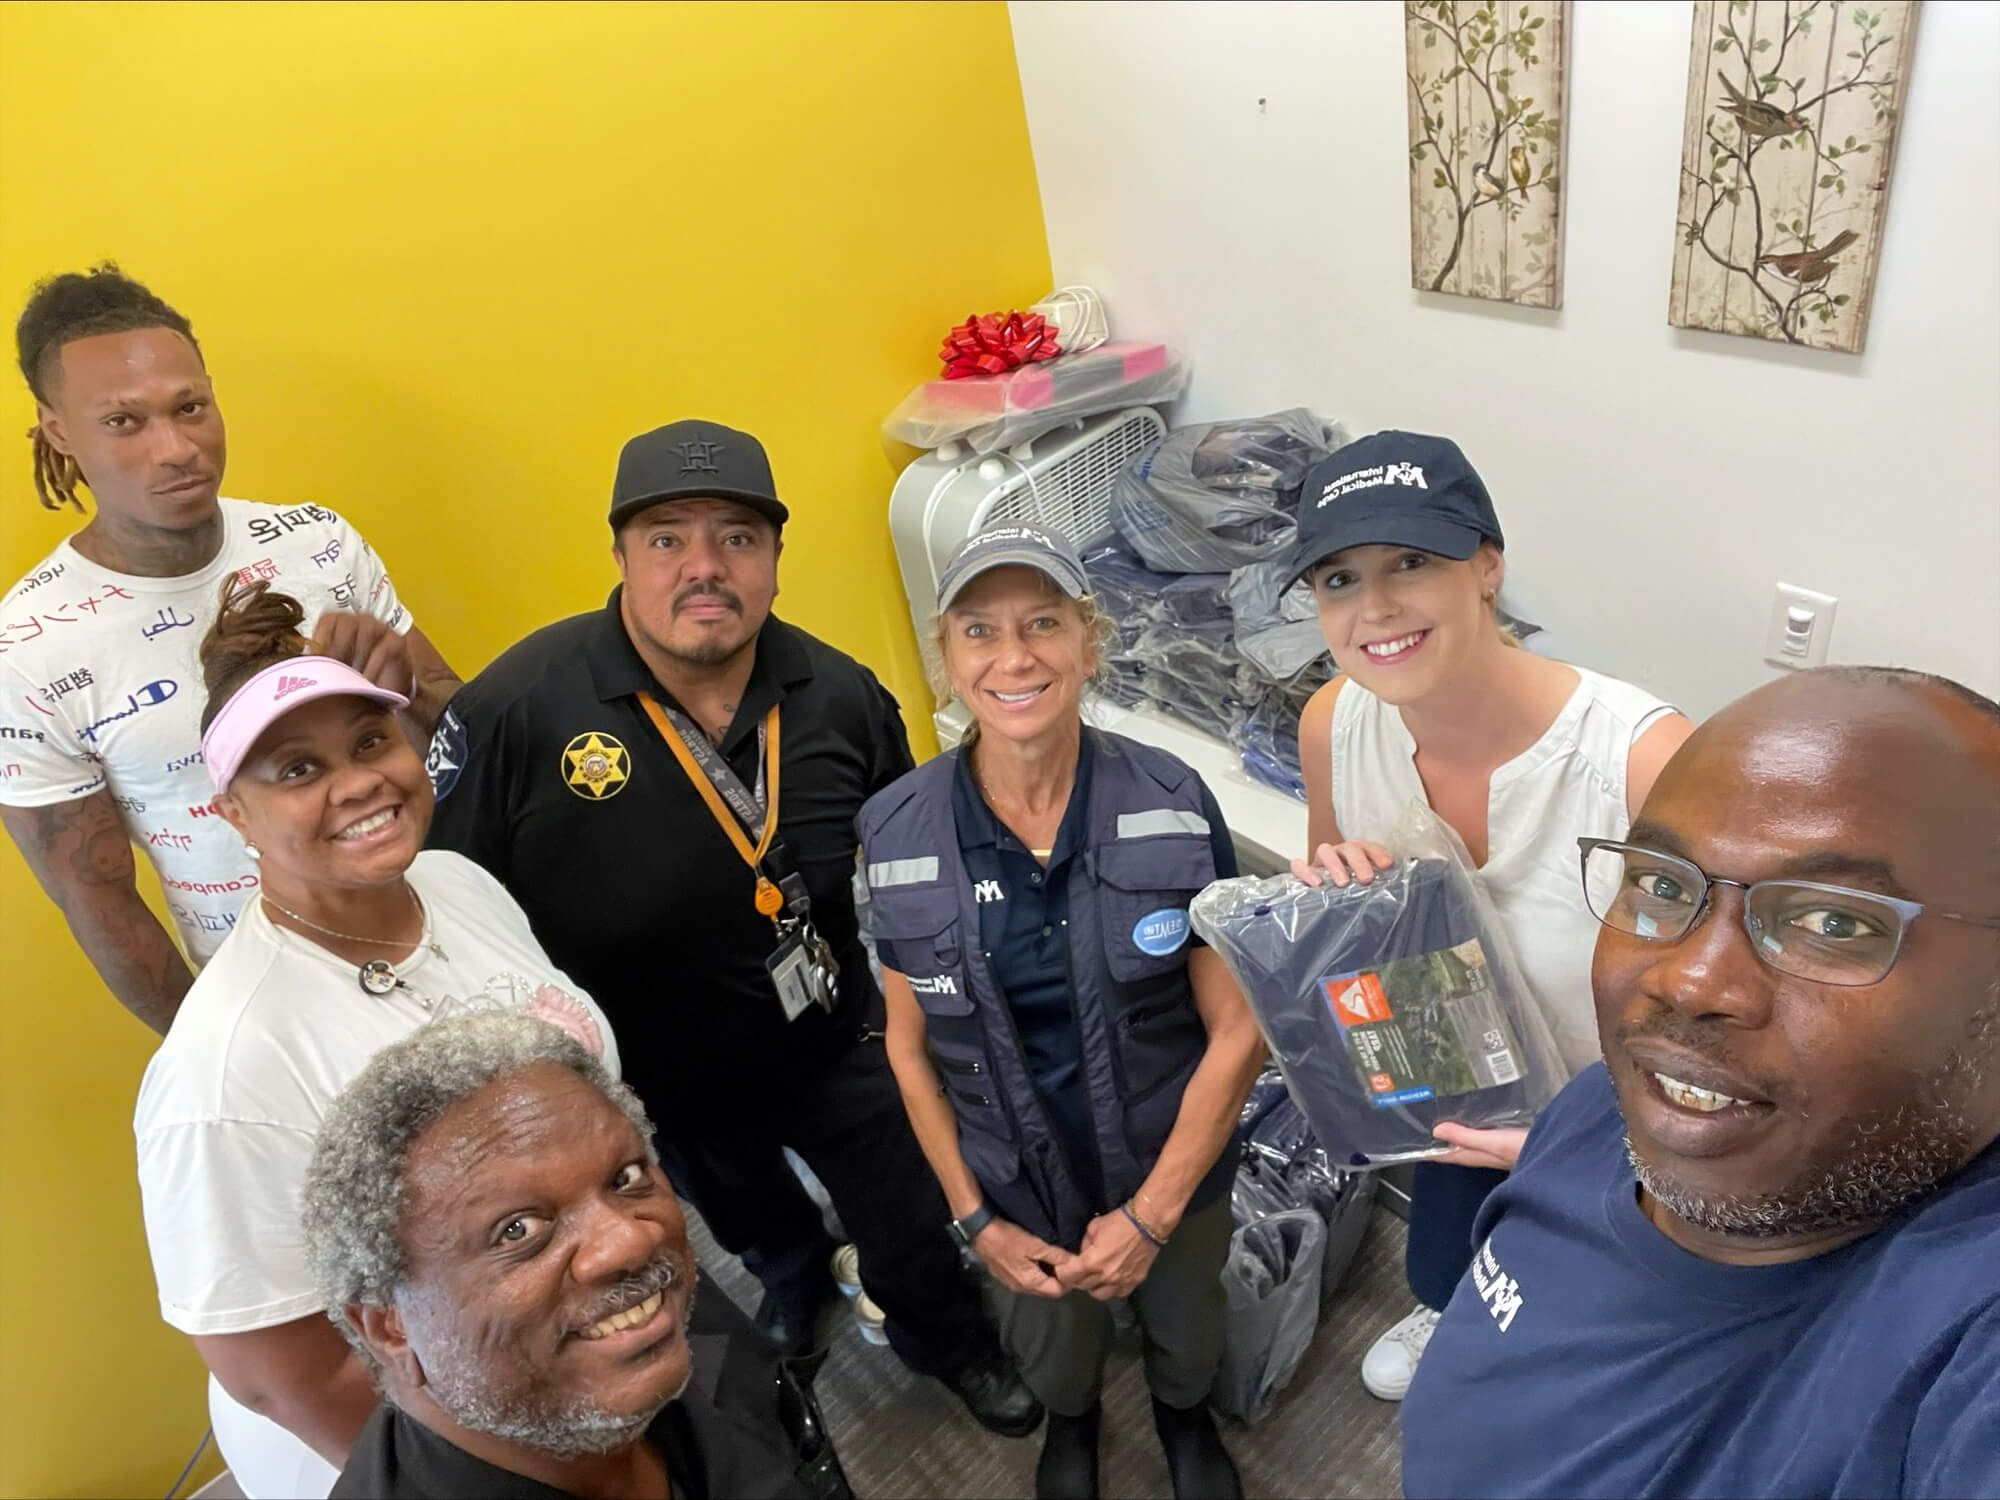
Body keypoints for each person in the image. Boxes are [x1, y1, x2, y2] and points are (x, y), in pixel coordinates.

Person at [426, 419, 1040, 1431]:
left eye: (737, 538)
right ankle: (795, 1282)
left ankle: (951, 1340)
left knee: (904, 1213)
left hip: (835, 1036)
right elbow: (453, 905)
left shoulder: (840, 696)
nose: (704, 567)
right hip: (657, 1070)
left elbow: (910, 864)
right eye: (667, 537)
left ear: (773, 562)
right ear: (619, 554)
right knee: (741, 1212)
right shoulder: (518, 712)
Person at [1402, 666, 2000, 1498]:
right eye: (1660, 883)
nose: (1689, 983)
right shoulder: (1602, 1109)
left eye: (1833, 921)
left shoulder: (1963, 1346)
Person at [133, 582, 618, 1500]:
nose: (358, 782)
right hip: (426, 1440)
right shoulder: (229, 1066)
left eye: (369, 742)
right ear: (232, 813)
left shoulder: (456, 882)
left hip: (563, 1347)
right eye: (295, 770)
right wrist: (496, 1472)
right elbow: (281, 1372)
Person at [860, 524, 1266, 1500]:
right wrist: (973, 1222)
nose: (1013, 658)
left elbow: (1238, 1030)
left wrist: (1154, 1211)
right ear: (946, 659)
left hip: (1170, 1169)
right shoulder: (892, 833)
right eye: (979, 631)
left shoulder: (1171, 798)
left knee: (1185, 1321)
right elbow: (908, 1052)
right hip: (1012, 1190)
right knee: (1048, 1340)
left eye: (1043, 623)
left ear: (1089, 643)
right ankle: (1072, 1423)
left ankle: (1181, 1413)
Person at [1288, 430, 1694, 1400]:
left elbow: (1721, 1018)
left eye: (1410, 563)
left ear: (1485, 565)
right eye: (1337, 579)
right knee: (1448, 1271)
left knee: (1601, 1362)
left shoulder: (1641, 762)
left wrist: (1610, 1151)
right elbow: (1339, 937)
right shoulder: (1333, 724)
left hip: (1627, 1126)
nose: (1373, 607)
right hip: (1459, 1087)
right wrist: (1342, 901)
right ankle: (1452, 1302)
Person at [0, 263, 457, 1032]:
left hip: (444, 946)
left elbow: (466, 744)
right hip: (275, 1011)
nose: (176, 448)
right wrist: (214, 1056)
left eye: (191, 407)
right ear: (58, 430)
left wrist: (403, 682)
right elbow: (97, 892)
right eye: (124, 421)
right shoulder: (28, 647)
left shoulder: (316, 542)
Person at [305, 1010, 815, 1500]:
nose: (628, 1242)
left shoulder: (664, 1327)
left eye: (627, 1177)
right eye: (518, 1230)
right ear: (391, 1328)